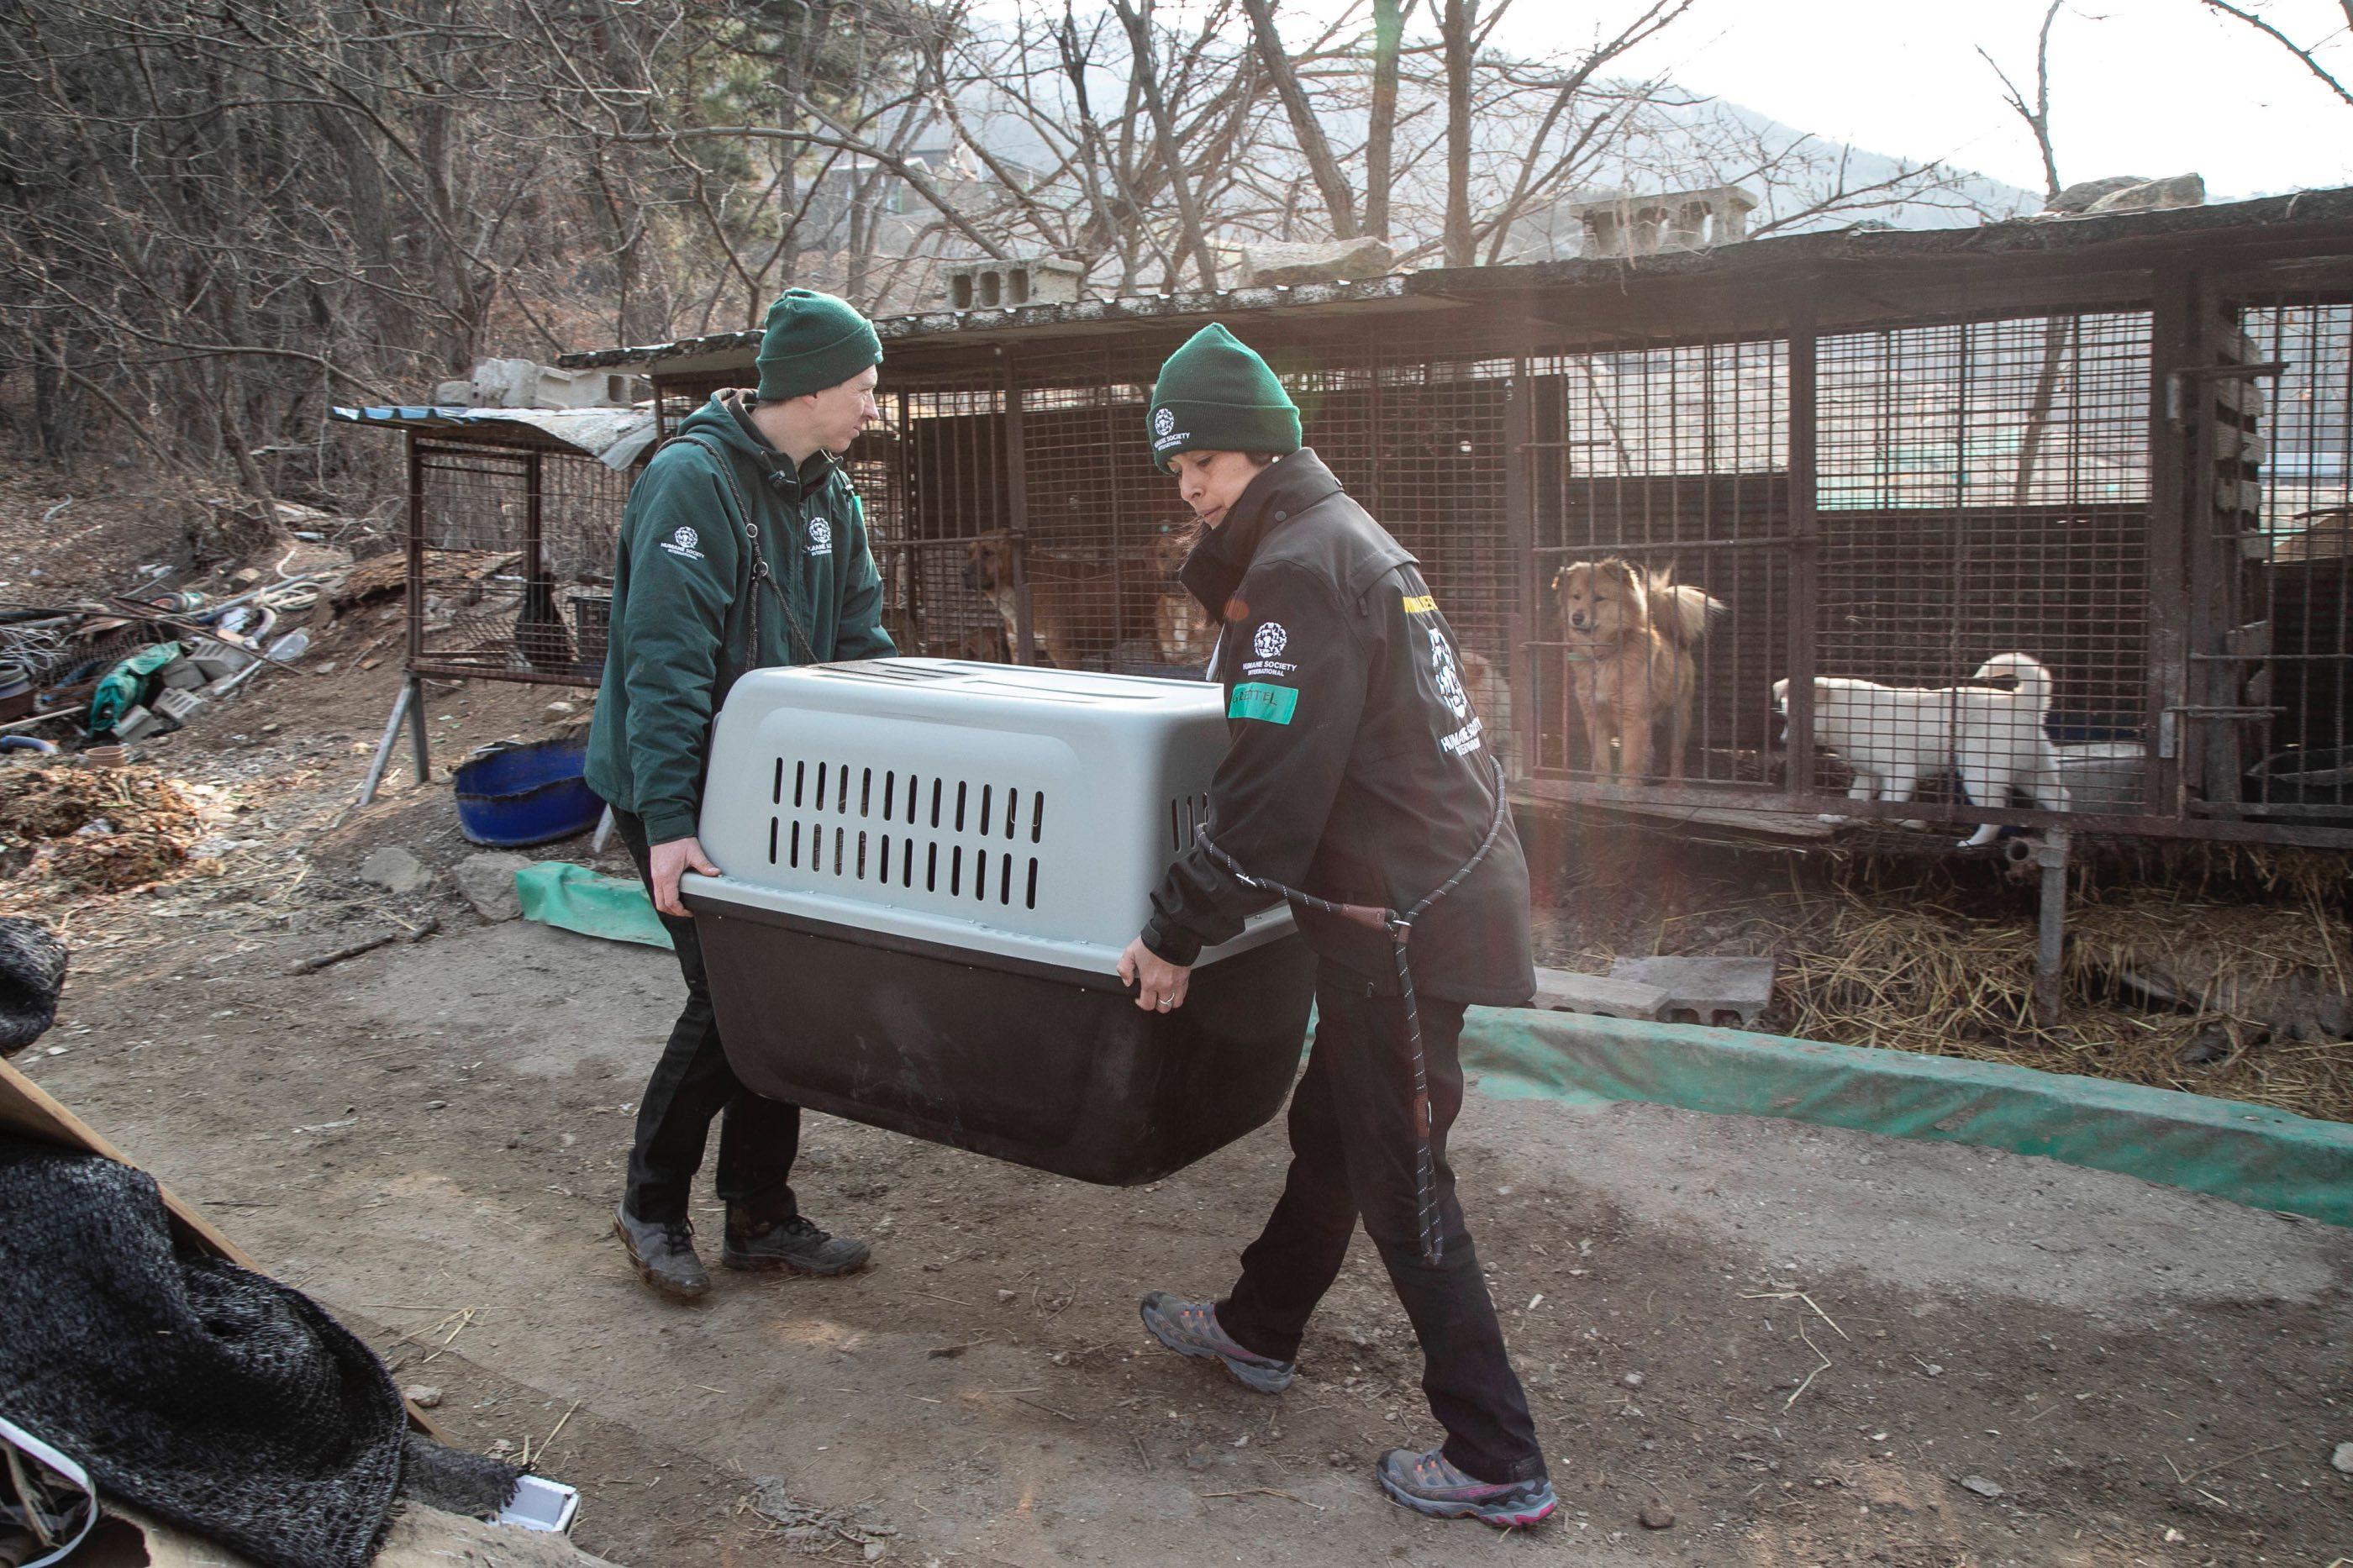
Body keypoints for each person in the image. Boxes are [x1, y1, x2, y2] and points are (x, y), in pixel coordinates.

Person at [1117, 324, 1556, 1528]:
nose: (1190, 490)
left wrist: (1174, 931)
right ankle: (1260, 1327)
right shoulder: (1343, 538)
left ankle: (1496, 1453)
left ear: (1257, 448)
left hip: (1403, 917)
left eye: (1199, 463)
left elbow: (1267, 800)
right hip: (1415, 894)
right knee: (1337, 1125)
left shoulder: (1305, 568)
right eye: (1178, 470)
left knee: (1403, 1168)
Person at [585, 288, 896, 1299]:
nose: (872, 406)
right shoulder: (692, 482)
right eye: (861, 386)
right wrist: (669, 828)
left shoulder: (832, 496)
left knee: (789, 999)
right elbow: (662, 667)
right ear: (807, 387)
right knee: (732, 999)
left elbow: (860, 650)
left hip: (779, 791)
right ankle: (650, 1205)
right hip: (674, 782)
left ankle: (761, 1214)